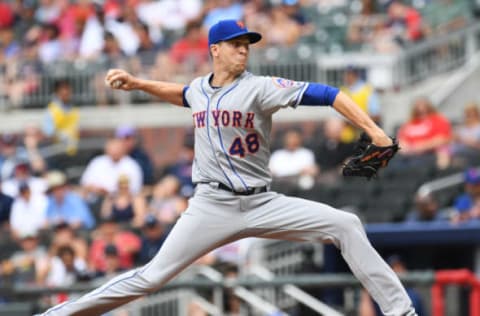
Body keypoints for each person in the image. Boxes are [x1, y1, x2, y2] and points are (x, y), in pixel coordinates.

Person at [38, 19, 417, 316]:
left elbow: (330, 94)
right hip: (211, 206)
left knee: (345, 224)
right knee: (149, 277)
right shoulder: (200, 89)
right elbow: (182, 93)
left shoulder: (262, 87)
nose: (244, 51)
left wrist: (374, 130)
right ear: (214, 50)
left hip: (261, 202)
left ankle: (402, 313)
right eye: (236, 45)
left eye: (247, 45)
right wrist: (138, 83)